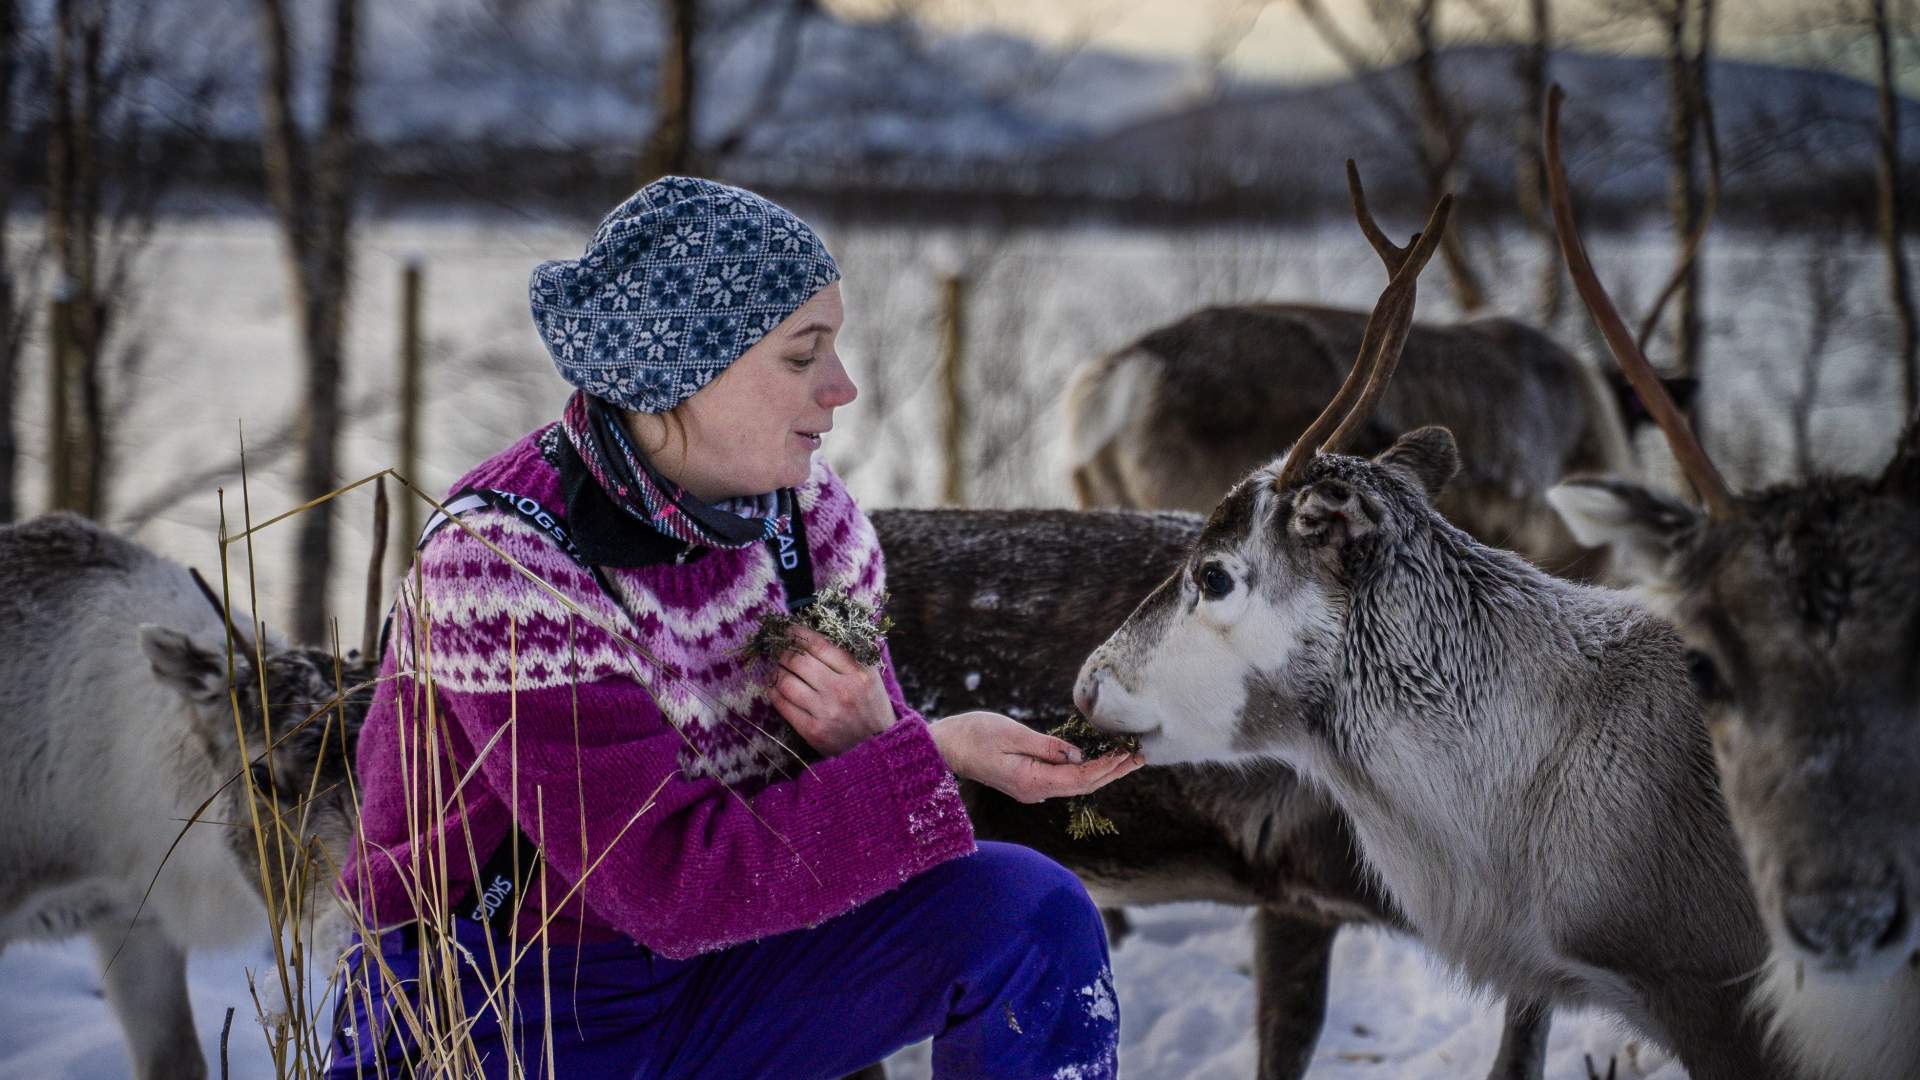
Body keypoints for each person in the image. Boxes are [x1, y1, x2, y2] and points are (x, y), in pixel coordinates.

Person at [328, 176, 1145, 1079]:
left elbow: (852, 811)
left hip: (723, 974)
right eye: (804, 355)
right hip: (508, 1003)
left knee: (1029, 915)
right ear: (682, 368)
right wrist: (930, 752)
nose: (844, 388)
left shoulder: (809, 523)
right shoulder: (507, 566)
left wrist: (879, 739)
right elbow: (667, 885)